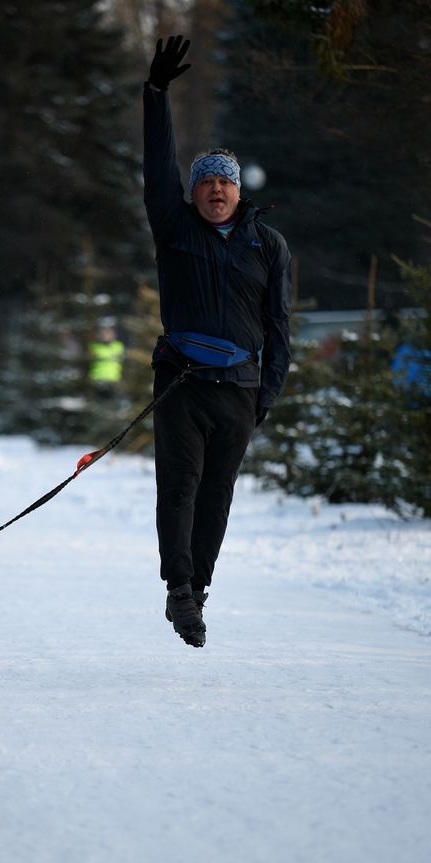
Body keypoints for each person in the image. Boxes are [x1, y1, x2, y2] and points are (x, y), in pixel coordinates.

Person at [143, 36, 292, 648]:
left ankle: (197, 591)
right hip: (182, 381)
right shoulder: (175, 227)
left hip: (240, 391)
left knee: (217, 498)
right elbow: (158, 169)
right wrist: (155, 96)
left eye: (223, 185)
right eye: (205, 183)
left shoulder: (269, 245)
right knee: (178, 487)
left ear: (237, 191)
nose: (214, 191)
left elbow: (280, 325)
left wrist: (267, 397)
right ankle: (178, 587)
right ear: (196, 192)